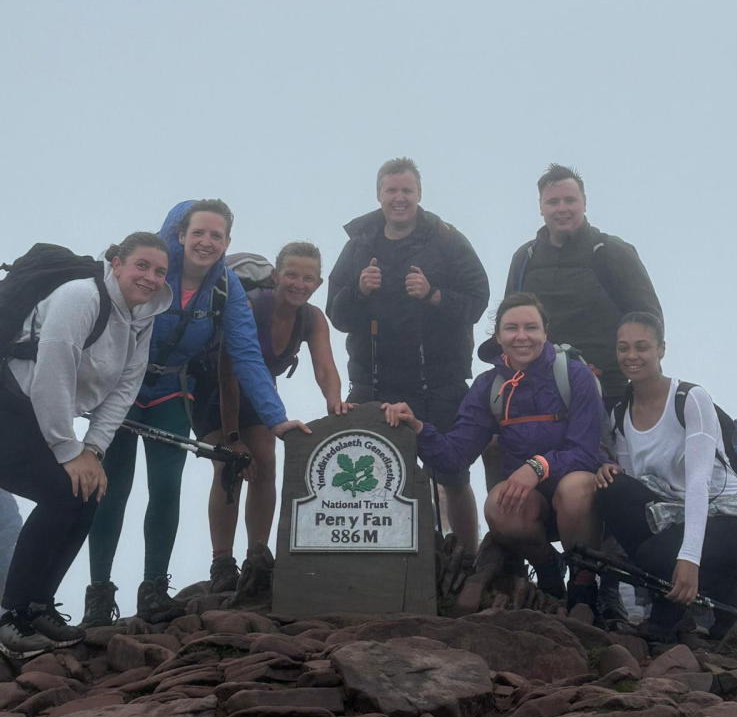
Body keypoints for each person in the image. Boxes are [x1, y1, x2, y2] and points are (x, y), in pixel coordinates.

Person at [83, 200, 309, 627]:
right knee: (110, 488)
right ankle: (98, 595)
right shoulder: (151, 270)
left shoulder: (225, 287)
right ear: (181, 235)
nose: (207, 242)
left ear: (227, 242)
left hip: (170, 391)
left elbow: (245, 354)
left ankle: (153, 591)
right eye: (199, 233)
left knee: (166, 488)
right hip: (118, 391)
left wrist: (276, 419)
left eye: (216, 235)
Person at [0, 232, 172, 659]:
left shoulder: (141, 318)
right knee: (61, 492)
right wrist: (67, 448)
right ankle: (9, 617)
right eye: (142, 266)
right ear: (116, 264)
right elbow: (52, 374)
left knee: (87, 491)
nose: (151, 278)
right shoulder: (81, 296)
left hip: (33, 413)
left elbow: (123, 390)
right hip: (9, 402)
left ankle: (38, 607)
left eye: (160, 271)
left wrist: (92, 451)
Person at [503, 163, 663, 621]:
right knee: (515, 459)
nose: (562, 209)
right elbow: (512, 316)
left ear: (584, 203)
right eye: (553, 201)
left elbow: (648, 317)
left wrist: (628, 373)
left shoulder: (609, 251)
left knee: (609, 482)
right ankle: (527, 562)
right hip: (542, 392)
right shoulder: (526, 256)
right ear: (540, 206)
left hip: (609, 388)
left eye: (570, 200)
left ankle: (608, 583)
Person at [382, 292, 605, 611]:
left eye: (531, 327)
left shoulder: (575, 376)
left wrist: (537, 466)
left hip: (578, 500)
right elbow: (456, 455)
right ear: (498, 336)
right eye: (511, 328)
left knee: (574, 488)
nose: (522, 336)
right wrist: (417, 428)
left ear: (545, 332)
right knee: (499, 505)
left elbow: (585, 452)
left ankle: (585, 584)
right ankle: (547, 567)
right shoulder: (489, 387)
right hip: (531, 503)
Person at [327, 157, 489, 555]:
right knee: (369, 473)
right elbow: (337, 313)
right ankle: (382, 561)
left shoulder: (448, 240)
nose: (399, 198)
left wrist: (435, 295)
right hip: (373, 383)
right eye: (391, 191)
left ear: (420, 194)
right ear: (378, 195)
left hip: (439, 381)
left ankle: (467, 559)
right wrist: (359, 291)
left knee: (452, 474)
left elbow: (478, 301)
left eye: (407, 191)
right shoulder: (358, 245)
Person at [196, 241, 354, 597]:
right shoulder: (251, 307)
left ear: (318, 283)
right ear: (275, 275)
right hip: (213, 383)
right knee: (230, 465)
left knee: (265, 464)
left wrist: (335, 403)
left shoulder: (311, 317)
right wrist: (233, 436)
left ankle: (258, 556)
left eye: (308, 278)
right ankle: (222, 562)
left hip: (260, 387)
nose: (299, 283)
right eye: (292, 275)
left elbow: (325, 365)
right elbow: (228, 377)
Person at [596, 312, 737, 642]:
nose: (631, 356)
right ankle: (675, 601)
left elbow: (698, 482)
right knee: (613, 488)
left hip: (728, 517)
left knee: (657, 554)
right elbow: (639, 488)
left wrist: (689, 558)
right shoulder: (620, 415)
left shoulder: (690, 399)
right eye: (623, 348)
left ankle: (722, 597)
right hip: (675, 514)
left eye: (642, 347)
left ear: (661, 349)